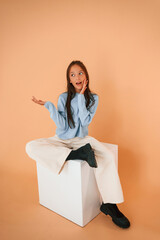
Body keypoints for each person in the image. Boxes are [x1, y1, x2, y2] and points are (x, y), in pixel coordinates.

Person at [26, 60, 130, 229]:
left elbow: (85, 120)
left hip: (82, 140)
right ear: (69, 79)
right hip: (61, 139)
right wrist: (49, 106)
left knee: (108, 156)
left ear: (86, 76)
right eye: (72, 74)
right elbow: (62, 126)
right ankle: (77, 154)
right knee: (30, 146)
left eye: (80, 73)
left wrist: (81, 96)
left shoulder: (93, 98)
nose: (77, 77)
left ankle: (110, 205)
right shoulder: (63, 97)